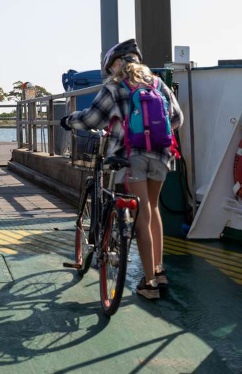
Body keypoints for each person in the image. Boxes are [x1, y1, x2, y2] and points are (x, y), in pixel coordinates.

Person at [61, 38, 182, 300]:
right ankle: (159, 271)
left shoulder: (115, 86)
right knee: (153, 208)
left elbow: (93, 118)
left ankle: (149, 284)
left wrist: (69, 120)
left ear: (116, 64)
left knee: (141, 217)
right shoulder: (158, 83)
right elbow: (177, 119)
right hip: (162, 154)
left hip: (131, 157)